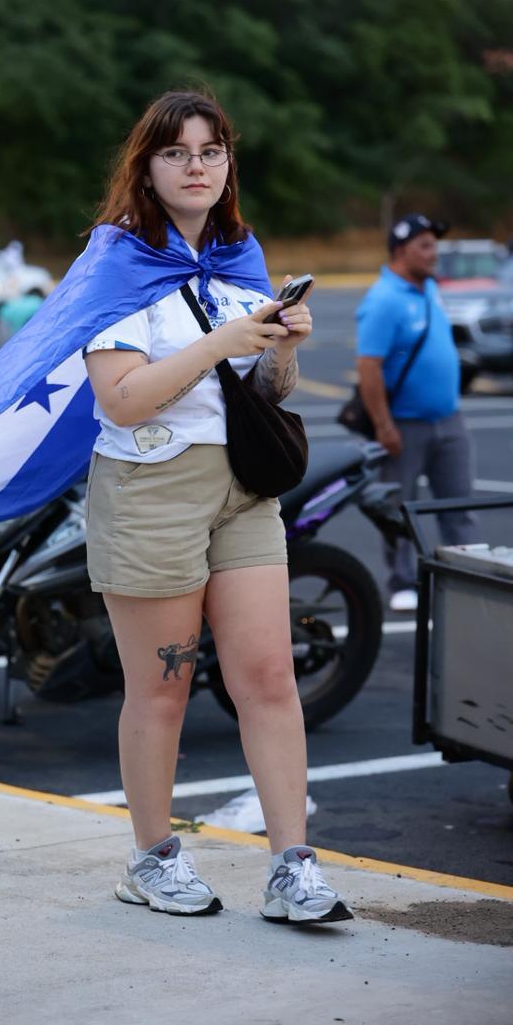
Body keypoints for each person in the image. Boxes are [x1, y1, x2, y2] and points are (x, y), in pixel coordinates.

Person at [82, 90, 353, 924]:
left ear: (228, 162)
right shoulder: (115, 262)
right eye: (177, 152)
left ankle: (292, 867)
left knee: (269, 677)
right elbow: (122, 399)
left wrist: (284, 349)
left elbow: (261, 389)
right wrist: (215, 344)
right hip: (150, 486)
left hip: (243, 488)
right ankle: (152, 858)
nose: (196, 165)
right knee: (163, 687)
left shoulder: (240, 255)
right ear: (147, 165)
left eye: (212, 150)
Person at [355, 213, 478, 611]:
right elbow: (369, 367)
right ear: (401, 250)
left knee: (458, 505)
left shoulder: (426, 288)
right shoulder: (384, 300)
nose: (434, 253)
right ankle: (402, 581)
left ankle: (468, 575)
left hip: (449, 420)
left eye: (434, 245)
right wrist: (383, 426)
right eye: (425, 246)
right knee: (400, 508)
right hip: (404, 424)